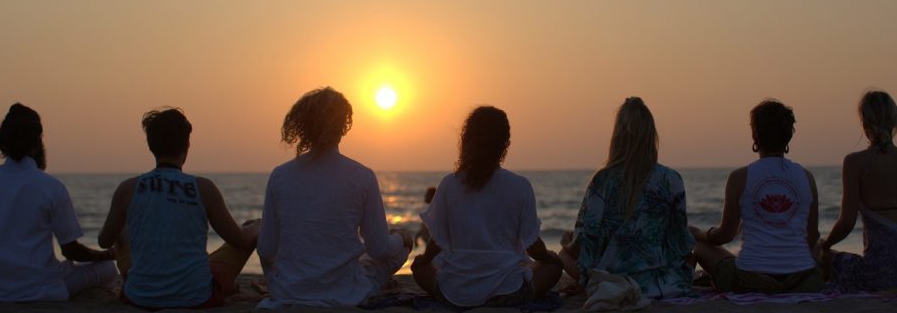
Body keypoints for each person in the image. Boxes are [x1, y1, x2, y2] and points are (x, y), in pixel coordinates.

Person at [257, 87, 413, 308]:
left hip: (287, 290)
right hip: (345, 293)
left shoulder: (280, 175)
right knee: (399, 247)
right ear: (343, 127)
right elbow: (378, 249)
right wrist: (401, 238)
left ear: (303, 126)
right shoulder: (362, 176)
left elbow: (266, 248)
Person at [98, 108, 259, 309]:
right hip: (197, 296)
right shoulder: (204, 188)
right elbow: (239, 241)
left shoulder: (128, 189)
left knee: (121, 230)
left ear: (151, 146)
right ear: (187, 145)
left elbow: (104, 241)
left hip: (139, 296)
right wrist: (256, 227)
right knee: (251, 230)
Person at [0, 103, 117, 301]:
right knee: (108, 269)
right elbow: (71, 250)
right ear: (37, 142)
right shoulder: (50, 187)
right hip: (39, 288)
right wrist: (107, 255)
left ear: (2, 142)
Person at [411, 106, 563, 308]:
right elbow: (532, 245)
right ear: (504, 144)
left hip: (455, 293)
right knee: (552, 269)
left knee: (419, 270)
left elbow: (437, 241)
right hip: (508, 292)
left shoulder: (449, 184)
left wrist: (424, 259)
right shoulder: (520, 185)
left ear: (466, 140)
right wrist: (549, 258)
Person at [559, 97, 694, 299]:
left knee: (562, 254)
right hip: (660, 282)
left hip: (611, 281)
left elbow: (589, 239)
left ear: (618, 136)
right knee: (692, 256)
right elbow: (679, 241)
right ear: (651, 136)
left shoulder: (603, 179)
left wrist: (569, 246)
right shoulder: (671, 179)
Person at [689, 99, 822, 294]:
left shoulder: (739, 178)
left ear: (755, 134)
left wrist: (700, 234)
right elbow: (812, 236)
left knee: (700, 248)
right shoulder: (807, 177)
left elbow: (725, 235)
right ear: (788, 136)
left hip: (750, 280)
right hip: (800, 280)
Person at [820, 90, 897, 291]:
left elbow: (847, 223)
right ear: (895, 122)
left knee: (824, 257)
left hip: (883, 272)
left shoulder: (855, 162)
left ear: (864, 125)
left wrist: (825, 245)